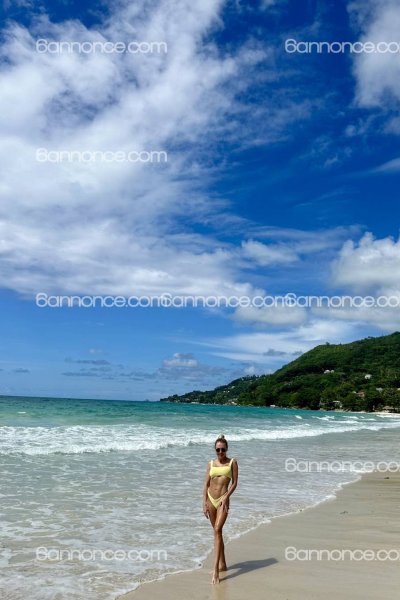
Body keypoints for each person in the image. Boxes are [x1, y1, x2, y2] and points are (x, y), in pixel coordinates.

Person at [203, 433, 238, 584]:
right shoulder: (211, 464)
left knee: (217, 530)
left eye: (223, 449)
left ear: (227, 449)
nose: (220, 452)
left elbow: (234, 483)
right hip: (210, 500)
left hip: (223, 500)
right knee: (217, 532)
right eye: (218, 450)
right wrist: (204, 502)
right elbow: (206, 484)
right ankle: (223, 564)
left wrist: (226, 496)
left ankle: (216, 570)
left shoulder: (232, 463)